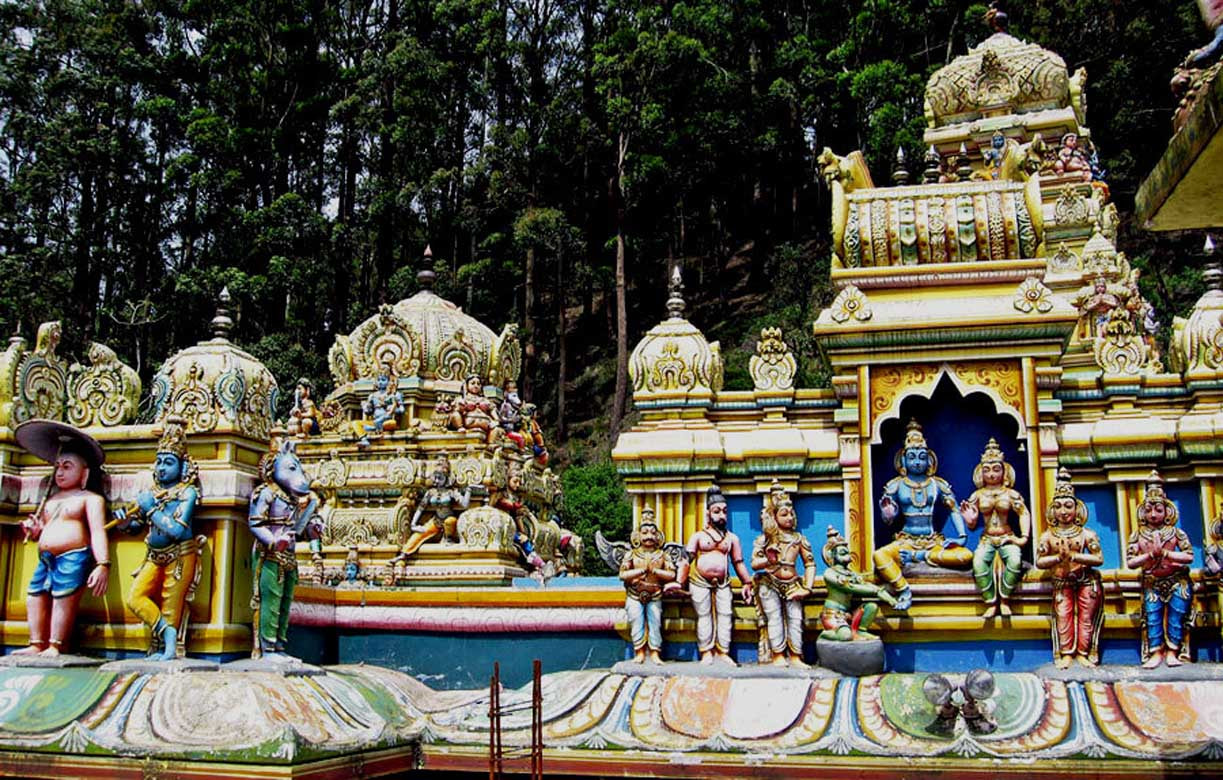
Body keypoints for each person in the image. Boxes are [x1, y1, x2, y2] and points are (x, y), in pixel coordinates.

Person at [14, 421, 110, 657]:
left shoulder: (89, 499)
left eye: (67, 466)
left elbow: (98, 531)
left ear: (84, 473)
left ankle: (56, 644)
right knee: (35, 595)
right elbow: (47, 529)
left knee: (63, 597)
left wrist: (103, 564)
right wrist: (36, 530)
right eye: (57, 466)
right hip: (46, 558)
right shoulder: (51, 500)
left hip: (72, 556)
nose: (60, 472)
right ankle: (37, 642)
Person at [113, 416, 201, 660]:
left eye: (169, 462)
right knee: (135, 597)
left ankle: (170, 648)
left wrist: (151, 508)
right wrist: (123, 522)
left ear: (182, 467)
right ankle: (163, 633)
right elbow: (136, 526)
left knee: (171, 603)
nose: (162, 467)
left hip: (180, 555)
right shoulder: (151, 493)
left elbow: (178, 530)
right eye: (159, 462)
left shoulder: (187, 492)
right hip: (153, 555)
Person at [874, 420, 970, 610]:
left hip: (932, 542)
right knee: (879, 555)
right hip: (905, 540)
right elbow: (888, 520)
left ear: (929, 460)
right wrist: (888, 514)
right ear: (903, 460)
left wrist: (962, 537)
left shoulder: (937, 484)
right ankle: (903, 589)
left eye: (921, 457)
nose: (917, 462)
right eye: (911, 457)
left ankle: (918, 556)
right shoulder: (896, 485)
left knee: (966, 556)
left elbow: (954, 509)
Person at [671, 485, 753, 666]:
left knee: (725, 614)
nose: (721, 515)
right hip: (700, 582)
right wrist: (679, 581)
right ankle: (706, 651)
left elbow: (738, 562)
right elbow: (686, 559)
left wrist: (747, 583)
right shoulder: (699, 536)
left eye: (724, 511)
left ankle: (723, 651)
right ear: (708, 514)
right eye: (717, 511)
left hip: (723, 583)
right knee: (704, 615)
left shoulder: (732, 538)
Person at [1034, 469, 1103, 669]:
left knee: (1086, 618)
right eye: (1058, 506)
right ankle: (1066, 653)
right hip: (1062, 582)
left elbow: (1098, 558)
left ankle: (1083, 652)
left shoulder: (1086, 534)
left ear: (1077, 509)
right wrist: (1058, 558)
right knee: (1063, 617)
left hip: (1086, 582)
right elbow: (1039, 561)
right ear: (1052, 511)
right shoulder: (1048, 536)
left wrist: (1074, 556)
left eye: (1068, 506)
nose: (1063, 511)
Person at [1125, 471, 1194, 668]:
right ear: (1143, 512)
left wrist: (1165, 554)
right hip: (1152, 582)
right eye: (1149, 510)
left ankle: (1173, 651)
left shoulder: (1175, 533)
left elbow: (1189, 556)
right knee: (1152, 616)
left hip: (1176, 581)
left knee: (1177, 616)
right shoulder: (1139, 534)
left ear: (1167, 511)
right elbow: (1131, 562)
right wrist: (1149, 556)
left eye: (1158, 510)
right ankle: (1156, 652)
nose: (1153, 514)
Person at [961, 439, 1030, 618]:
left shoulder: (1011, 494)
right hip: (987, 538)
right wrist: (970, 520)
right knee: (978, 564)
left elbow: (1023, 513)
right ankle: (991, 601)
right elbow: (972, 524)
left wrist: (1023, 537)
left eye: (996, 469)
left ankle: (1005, 600)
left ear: (1004, 471)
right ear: (980, 473)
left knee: (1014, 562)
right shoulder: (977, 495)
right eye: (987, 470)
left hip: (1007, 536)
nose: (991, 474)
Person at [751, 484, 815, 666]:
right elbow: (755, 564)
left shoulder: (799, 539)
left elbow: (810, 564)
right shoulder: (766, 539)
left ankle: (795, 656)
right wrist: (768, 561)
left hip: (794, 584)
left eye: (791, 513)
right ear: (774, 516)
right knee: (774, 618)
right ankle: (777, 655)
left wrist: (807, 588)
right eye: (784, 514)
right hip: (769, 583)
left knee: (795, 619)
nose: (789, 517)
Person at [820, 527, 897, 641]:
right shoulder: (830, 574)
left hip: (849, 613)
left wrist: (888, 598)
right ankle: (824, 635)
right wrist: (877, 592)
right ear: (832, 556)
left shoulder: (851, 574)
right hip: (833, 615)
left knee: (871, 607)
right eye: (842, 552)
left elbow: (865, 584)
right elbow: (850, 587)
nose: (846, 553)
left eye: (846, 551)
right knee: (845, 636)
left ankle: (861, 630)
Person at [619, 509, 676, 664]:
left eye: (652, 533)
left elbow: (672, 575)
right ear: (637, 536)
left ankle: (655, 652)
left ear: (658, 536)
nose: (649, 536)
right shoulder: (631, 554)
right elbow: (622, 574)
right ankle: (639, 652)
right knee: (636, 621)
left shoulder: (662, 555)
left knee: (655, 622)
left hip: (655, 594)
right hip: (634, 594)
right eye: (644, 533)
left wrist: (656, 571)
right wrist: (641, 571)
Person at [394, 456, 471, 561]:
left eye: (441, 478)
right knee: (419, 535)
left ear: (447, 478)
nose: (437, 480)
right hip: (436, 521)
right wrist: (413, 524)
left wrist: (469, 490)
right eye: (436, 477)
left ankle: (448, 539)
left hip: (449, 520)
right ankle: (404, 553)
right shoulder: (431, 492)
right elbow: (421, 509)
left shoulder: (451, 492)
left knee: (450, 521)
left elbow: (465, 505)